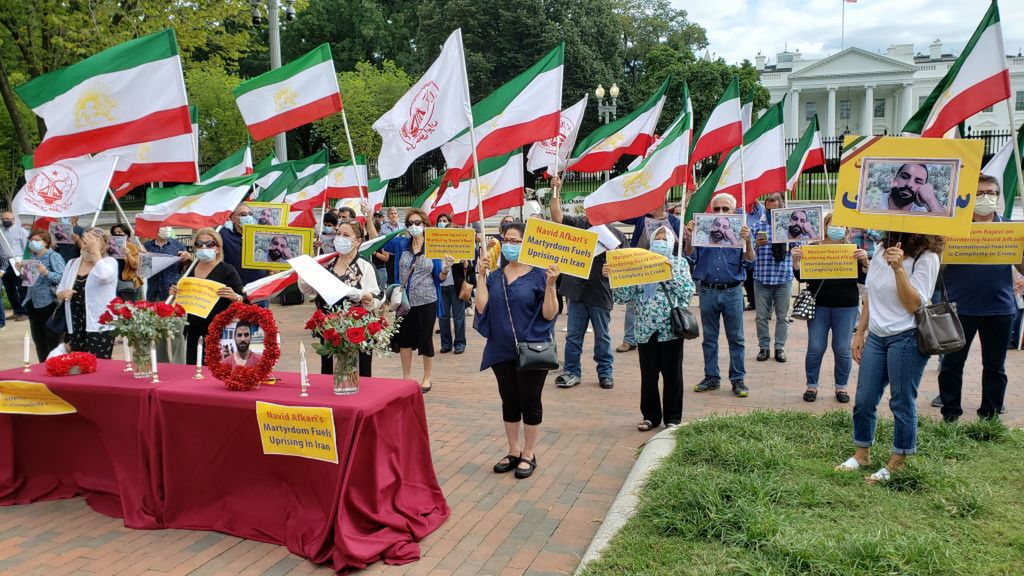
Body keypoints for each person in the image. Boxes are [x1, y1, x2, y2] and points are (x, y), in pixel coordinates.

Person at [838, 232, 942, 483]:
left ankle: (899, 461)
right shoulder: (880, 249)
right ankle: (862, 453)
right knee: (864, 398)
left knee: (902, 400)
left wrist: (899, 270)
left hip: (907, 336)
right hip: (877, 335)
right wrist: (860, 332)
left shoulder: (927, 258)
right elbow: (870, 295)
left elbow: (913, 304)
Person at [474, 222, 559, 479]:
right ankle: (513, 449)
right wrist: (480, 276)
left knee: (530, 401)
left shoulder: (540, 274)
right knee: (509, 401)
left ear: (527, 243)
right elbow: (481, 308)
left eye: (515, 240)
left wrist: (552, 286)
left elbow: (549, 313)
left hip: (532, 349)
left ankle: (529, 453)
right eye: (506, 240)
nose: (510, 245)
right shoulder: (496, 276)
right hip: (501, 350)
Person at [936, 175, 1023, 421]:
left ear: (998, 197)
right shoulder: (953, 230)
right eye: (979, 193)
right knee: (952, 365)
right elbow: (937, 273)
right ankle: (950, 414)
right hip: (959, 309)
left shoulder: (1010, 229)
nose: (986, 198)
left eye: (991, 192)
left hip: (1000, 309)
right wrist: (942, 252)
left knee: (995, 368)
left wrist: (1018, 253)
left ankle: (990, 415)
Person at [607, 226, 695, 430]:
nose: (660, 242)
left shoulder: (679, 263)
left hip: (670, 329)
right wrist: (613, 278)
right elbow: (623, 297)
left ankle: (673, 418)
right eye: (658, 238)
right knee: (648, 376)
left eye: (665, 239)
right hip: (645, 329)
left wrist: (669, 273)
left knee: (673, 375)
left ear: (672, 243)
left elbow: (687, 294)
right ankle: (650, 416)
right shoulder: (640, 264)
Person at [549, 176, 624, 389]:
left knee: (603, 337)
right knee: (573, 336)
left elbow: (625, 265)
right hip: (576, 292)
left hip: (600, 293)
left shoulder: (616, 235)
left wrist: (613, 270)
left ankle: (605, 373)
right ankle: (572, 372)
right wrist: (556, 191)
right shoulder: (579, 225)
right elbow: (556, 216)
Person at [791, 215, 869, 403]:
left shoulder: (853, 251)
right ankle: (812, 386)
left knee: (842, 349)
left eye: (840, 224)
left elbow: (862, 280)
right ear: (824, 226)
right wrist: (796, 261)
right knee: (816, 347)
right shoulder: (812, 249)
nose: (835, 228)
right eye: (831, 224)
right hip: (819, 306)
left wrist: (865, 262)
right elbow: (802, 278)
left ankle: (841, 388)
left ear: (847, 228)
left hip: (846, 307)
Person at [685, 193, 755, 397]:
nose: (721, 213)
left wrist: (747, 242)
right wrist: (690, 239)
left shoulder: (741, 232)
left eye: (726, 209)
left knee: (737, 338)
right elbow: (690, 257)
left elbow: (750, 262)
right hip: (707, 290)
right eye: (716, 209)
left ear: (734, 212)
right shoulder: (703, 231)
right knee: (709, 338)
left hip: (733, 291)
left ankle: (738, 379)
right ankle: (712, 377)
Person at [298, 219, 381, 376]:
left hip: (357, 329)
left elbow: (377, 298)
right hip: (330, 328)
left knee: (360, 372)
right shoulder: (326, 263)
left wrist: (362, 295)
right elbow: (308, 291)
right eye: (338, 234)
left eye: (346, 235)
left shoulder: (365, 266)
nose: (340, 238)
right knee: (329, 370)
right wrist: (304, 274)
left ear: (357, 241)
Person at [383, 208, 445, 392]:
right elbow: (380, 241)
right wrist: (369, 217)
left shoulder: (433, 246)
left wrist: (447, 268)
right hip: (405, 301)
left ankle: (427, 377)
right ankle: (406, 377)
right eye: (409, 223)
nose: (413, 226)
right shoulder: (402, 244)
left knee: (426, 339)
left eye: (417, 223)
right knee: (405, 339)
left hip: (427, 300)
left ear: (425, 225)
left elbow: (440, 277)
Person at [169, 228, 247, 366]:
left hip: (219, 329)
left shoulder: (227, 270)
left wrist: (235, 296)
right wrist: (176, 293)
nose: (204, 247)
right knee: (195, 368)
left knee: (216, 369)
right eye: (199, 244)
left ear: (218, 248)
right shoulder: (189, 269)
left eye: (209, 244)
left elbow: (244, 297)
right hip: (194, 328)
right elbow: (183, 295)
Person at [618, 206, 681, 353]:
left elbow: (680, 243)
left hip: (665, 266)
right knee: (632, 305)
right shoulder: (642, 217)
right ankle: (629, 340)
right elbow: (622, 215)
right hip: (640, 266)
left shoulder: (673, 221)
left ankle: (665, 335)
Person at [55, 228, 118, 358]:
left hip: (99, 324)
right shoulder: (72, 263)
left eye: (93, 242)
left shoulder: (109, 263)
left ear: (103, 246)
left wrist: (96, 254)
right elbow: (60, 289)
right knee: (78, 362)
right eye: (85, 242)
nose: (88, 246)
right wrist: (62, 294)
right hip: (75, 322)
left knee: (99, 364)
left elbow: (104, 275)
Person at [750, 192, 795, 363]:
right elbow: (748, 255)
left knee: (782, 316)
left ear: (782, 205)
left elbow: (801, 247)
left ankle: (779, 348)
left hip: (784, 277)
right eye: (769, 202)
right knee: (761, 316)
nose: (771, 204)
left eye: (775, 201)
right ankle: (764, 347)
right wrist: (754, 244)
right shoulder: (757, 227)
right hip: (762, 278)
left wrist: (792, 242)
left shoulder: (791, 227)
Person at [144, 226, 191, 363]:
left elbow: (186, 270)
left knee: (177, 332)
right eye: (161, 227)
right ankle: (162, 364)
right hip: (154, 294)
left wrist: (187, 259)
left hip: (174, 295)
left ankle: (179, 364)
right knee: (158, 333)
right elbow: (144, 271)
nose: (165, 230)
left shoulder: (178, 245)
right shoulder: (147, 246)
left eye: (167, 227)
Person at [19, 230, 65, 361]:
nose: (34, 243)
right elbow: (29, 281)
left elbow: (62, 277)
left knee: (52, 338)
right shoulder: (32, 258)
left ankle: (54, 364)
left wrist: (47, 273)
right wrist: (22, 272)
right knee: (38, 339)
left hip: (49, 302)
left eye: (37, 240)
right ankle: (42, 365)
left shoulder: (53, 256)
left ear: (46, 242)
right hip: (32, 301)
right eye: (32, 240)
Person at [433, 213, 473, 355]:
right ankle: (446, 344)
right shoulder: (435, 247)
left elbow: (470, 271)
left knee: (458, 317)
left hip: (456, 288)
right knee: (443, 318)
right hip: (440, 287)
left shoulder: (461, 248)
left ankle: (460, 343)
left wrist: (466, 263)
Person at [220, 204, 267, 306]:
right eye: (243, 214)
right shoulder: (223, 235)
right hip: (235, 289)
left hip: (258, 288)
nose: (248, 217)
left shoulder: (262, 234)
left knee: (259, 320)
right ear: (232, 218)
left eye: (250, 214)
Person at [872, 163, 946, 214]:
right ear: (894, 179)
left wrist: (931, 200)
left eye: (917, 181)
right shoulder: (872, 201)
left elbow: (945, 226)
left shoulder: (920, 213)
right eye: (904, 177)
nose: (909, 184)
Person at [1, 211, 29, 324]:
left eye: (8, 218)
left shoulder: (21, 231)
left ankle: (24, 312)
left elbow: (27, 247)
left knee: (21, 287)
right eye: (3, 218)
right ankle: (17, 311)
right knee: (9, 288)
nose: (5, 220)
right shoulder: (1, 231)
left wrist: (24, 262)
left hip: (18, 261)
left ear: (13, 219)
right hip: (4, 263)